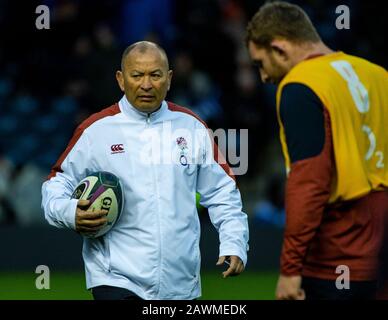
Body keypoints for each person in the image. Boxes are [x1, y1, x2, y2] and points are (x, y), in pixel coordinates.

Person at [41, 41, 249, 300]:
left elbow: (223, 192)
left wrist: (234, 242)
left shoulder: (192, 127)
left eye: (155, 75)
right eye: (137, 75)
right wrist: (71, 212)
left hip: (180, 285)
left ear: (169, 78)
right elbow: (56, 183)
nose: (147, 84)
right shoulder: (95, 130)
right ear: (121, 79)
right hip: (115, 279)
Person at [245, 2, 388, 300]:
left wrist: (289, 268)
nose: (264, 77)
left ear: (280, 48)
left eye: (260, 63)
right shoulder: (378, 75)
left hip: (338, 254)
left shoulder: (302, 84)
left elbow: (309, 182)